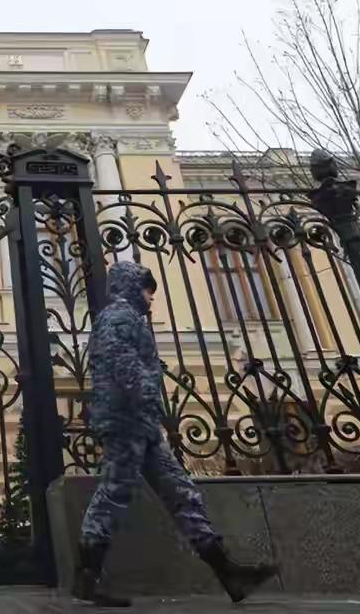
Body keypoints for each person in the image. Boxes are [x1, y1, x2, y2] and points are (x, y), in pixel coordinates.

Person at [75, 260, 277, 607]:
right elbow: (122, 364)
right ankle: (87, 576)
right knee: (114, 492)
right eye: (147, 290)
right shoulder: (118, 318)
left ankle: (228, 571)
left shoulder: (128, 318)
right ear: (131, 287)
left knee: (181, 492)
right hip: (126, 421)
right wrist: (148, 395)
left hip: (142, 423)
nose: (151, 298)